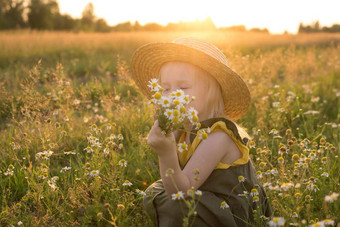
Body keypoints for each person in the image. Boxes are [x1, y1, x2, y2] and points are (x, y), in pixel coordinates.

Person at [130, 37, 271, 227]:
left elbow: (181, 190)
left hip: (231, 212)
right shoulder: (182, 131)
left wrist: (166, 153)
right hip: (203, 199)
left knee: (173, 205)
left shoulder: (218, 136)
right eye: (165, 89)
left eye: (183, 88)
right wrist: (167, 136)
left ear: (211, 92)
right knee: (154, 193)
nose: (172, 96)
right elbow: (174, 185)